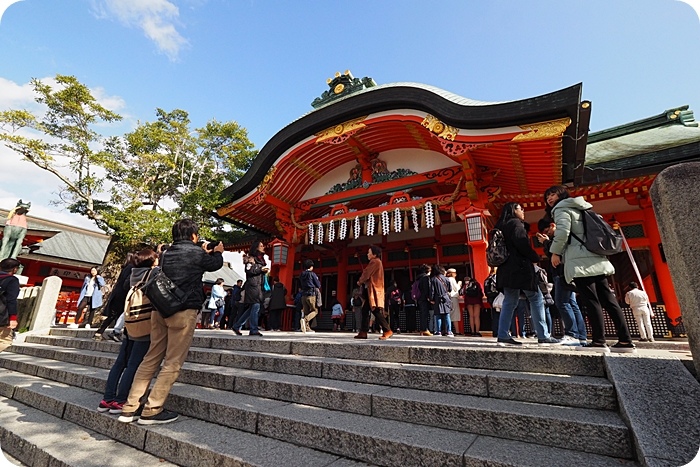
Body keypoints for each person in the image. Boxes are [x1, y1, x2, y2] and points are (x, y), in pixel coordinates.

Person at [118, 218, 224, 425]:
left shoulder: (165, 254)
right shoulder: (197, 253)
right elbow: (215, 264)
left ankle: (130, 407)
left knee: (151, 357)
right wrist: (218, 250)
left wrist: (201, 249)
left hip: (160, 309)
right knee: (173, 361)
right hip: (183, 311)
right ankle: (152, 408)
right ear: (193, 235)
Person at [544, 184, 635, 352]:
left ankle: (599, 341)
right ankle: (625, 341)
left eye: (553, 194)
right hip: (595, 257)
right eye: (548, 196)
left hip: (579, 261)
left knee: (591, 300)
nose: (550, 198)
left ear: (562, 195)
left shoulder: (561, 209)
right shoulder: (582, 207)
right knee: (608, 299)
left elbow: (563, 232)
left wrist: (555, 252)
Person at [97, 248, 158, 414]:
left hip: (130, 322)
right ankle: (121, 399)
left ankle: (107, 399)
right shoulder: (153, 274)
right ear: (151, 261)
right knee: (133, 364)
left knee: (120, 362)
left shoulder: (132, 273)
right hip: (144, 323)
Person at [494, 202, 559, 346]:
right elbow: (522, 244)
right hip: (521, 268)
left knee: (509, 301)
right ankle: (543, 335)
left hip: (505, 268)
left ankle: (503, 334)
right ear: (513, 210)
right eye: (520, 208)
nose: (523, 211)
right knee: (536, 298)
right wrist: (535, 257)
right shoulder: (516, 224)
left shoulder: (500, 226)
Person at [537, 217, 587, 345]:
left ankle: (572, 333)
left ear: (553, 225)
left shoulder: (559, 237)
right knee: (571, 303)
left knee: (562, 302)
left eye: (547, 230)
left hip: (561, 273)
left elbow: (555, 253)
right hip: (567, 272)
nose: (546, 233)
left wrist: (546, 242)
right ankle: (581, 334)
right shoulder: (561, 235)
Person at [94, 253, 136, 341]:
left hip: (117, 293)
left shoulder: (125, 267)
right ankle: (104, 332)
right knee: (117, 314)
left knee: (114, 314)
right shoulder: (132, 268)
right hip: (123, 293)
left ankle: (101, 332)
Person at [355, 245, 393, 340]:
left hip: (373, 290)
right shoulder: (377, 262)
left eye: (369, 252)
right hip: (371, 290)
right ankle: (363, 331)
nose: (367, 254)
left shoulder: (374, 261)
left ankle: (387, 330)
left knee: (375, 310)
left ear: (374, 254)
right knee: (365, 310)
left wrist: (360, 281)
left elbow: (366, 273)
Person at [231, 241, 268, 336]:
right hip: (252, 286)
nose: (263, 247)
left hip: (258, 285)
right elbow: (248, 270)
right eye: (261, 246)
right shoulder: (251, 259)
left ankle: (237, 325)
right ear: (256, 248)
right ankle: (253, 328)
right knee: (255, 307)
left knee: (252, 308)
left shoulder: (260, 259)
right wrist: (260, 269)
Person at [0, 258, 21, 353]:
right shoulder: (12, 280)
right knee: (5, 341)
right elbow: (11, 300)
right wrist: (13, 318)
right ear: (15, 269)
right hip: (2, 316)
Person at [429, 264, 453, 337]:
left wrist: (431, 299)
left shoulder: (433, 279)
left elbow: (432, 291)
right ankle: (449, 331)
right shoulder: (446, 279)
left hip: (437, 298)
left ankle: (438, 331)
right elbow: (450, 289)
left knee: (438, 315)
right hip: (446, 298)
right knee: (447, 315)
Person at [299, 259, 321, 333]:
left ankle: (307, 328)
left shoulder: (302, 274)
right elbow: (318, 285)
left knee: (306, 311)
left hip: (303, 295)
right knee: (315, 310)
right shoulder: (312, 274)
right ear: (311, 267)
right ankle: (305, 320)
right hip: (311, 294)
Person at [415, 264, 433, 336]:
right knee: (425, 314)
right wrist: (429, 297)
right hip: (424, 298)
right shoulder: (425, 278)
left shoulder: (418, 278)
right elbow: (426, 288)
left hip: (419, 298)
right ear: (428, 270)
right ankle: (424, 329)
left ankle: (422, 329)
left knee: (422, 314)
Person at [483, 268, 500, 336]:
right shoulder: (496, 277)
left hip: (490, 298)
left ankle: (495, 331)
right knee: (500, 315)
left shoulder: (487, 279)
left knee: (494, 315)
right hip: (497, 297)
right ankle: (500, 331)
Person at [445, 269, 461, 334]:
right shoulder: (452, 279)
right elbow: (456, 288)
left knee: (448, 314)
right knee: (455, 314)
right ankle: (457, 331)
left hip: (447, 297)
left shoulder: (446, 279)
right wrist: (459, 284)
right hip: (453, 297)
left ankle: (447, 330)